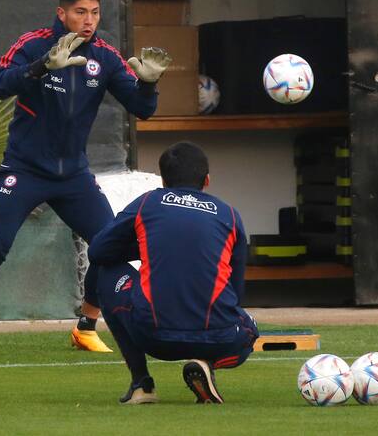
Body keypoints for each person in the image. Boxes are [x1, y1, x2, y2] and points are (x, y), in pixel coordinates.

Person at [0, 0, 172, 356]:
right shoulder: (34, 44)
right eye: (80, 12)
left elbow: (143, 109)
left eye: (95, 13)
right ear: (62, 13)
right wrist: (41, 67)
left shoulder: (105, 57)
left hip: (73, 175)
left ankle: (86, 327)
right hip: (24, 170)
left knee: (110, 247)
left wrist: (149, 84)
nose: (88, 20)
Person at [88, 142, 259, 404]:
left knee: (105, 271)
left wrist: (147, 249)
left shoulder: (148, 202)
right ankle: (207, 362)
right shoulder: (230, 215)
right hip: (219, 339)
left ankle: (141, 384)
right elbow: (236, 293)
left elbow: (98, 251)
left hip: (153, 337)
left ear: (163, 180)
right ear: (207, 180)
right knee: (250, 330)